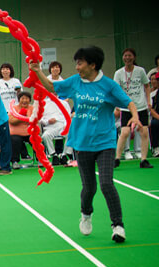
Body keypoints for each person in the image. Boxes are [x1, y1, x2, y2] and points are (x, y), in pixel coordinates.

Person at [30, 45, 141, 243]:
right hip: (82, 142)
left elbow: (128, 102)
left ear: (92, 64)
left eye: (80, 63)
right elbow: (52, 86)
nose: (77, 66)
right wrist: (38, 70)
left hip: (105, 142)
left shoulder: (108, 85)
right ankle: (86, 214)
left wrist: (134, 116)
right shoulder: (75, 82)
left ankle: (118, 226)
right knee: (89, 188)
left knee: (107, 183)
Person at [114, 48, 153, 168]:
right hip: (126, 108)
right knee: (124, 132)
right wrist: (117, 105)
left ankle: (143, 160)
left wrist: (148, 101)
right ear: (123, 58)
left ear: (134, 57)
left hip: (141, 106)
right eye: (125, 56)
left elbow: (147, 86)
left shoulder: (140, 71)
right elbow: (115, 90)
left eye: (130, 56)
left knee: (144, 132)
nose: (127, 58)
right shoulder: (118, 73)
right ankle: (116, 159)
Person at [41, 96, 72, 165]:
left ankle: (64, 155)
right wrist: (48, 121)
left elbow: (68, 116)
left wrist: (66, 125)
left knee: (71, 134)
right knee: (45, 136)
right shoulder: (44, 103)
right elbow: (40, 118)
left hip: (62, 125)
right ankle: (54, 155)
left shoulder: (64, 103)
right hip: (50, 127)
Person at [8, 91, 34, 169]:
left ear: (29, 100)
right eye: (22, 98)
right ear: (19, 100)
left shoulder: (32, 108)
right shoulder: (14, 108)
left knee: (36, 139)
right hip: (16, 133)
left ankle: (41, 159)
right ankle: (14, 162)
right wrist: (22, 116)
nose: (24, 100)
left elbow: (34, 119)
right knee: (15, 140)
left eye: (27, 98)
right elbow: (12, 121)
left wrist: (21, 118)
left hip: (29, 132)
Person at [150, 72, 159, 157]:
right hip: (156, 117)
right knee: (154, 124)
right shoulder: (155, 94)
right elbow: (151, 109)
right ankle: (156, 147)